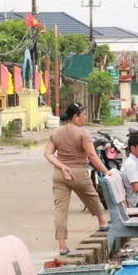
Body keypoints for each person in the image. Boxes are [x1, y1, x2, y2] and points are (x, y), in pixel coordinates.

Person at [44, 103, 110, 255]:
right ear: (75, 117)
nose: (85, 117)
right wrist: (106, 172)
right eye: (83, 115)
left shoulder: (57, 133)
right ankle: (102, 222)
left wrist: (62, 166)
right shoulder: (83, 133)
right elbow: (92, 156)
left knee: (60, 210)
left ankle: (62, 245)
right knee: (92, 196)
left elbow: (48, 154)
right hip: (78, 172)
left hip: (60, 174)